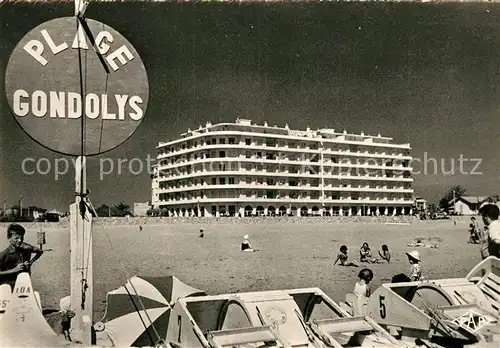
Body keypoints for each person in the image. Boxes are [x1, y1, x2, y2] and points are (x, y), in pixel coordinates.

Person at [0, 224, 44, 289]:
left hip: (24, 285)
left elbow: (40, 251)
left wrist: (30, 262)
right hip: (8, 287)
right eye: (16, 238)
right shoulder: (4, 254)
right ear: (9, 238)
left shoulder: (26, 248)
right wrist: (14, 270)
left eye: (22, 237)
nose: (20, 240)